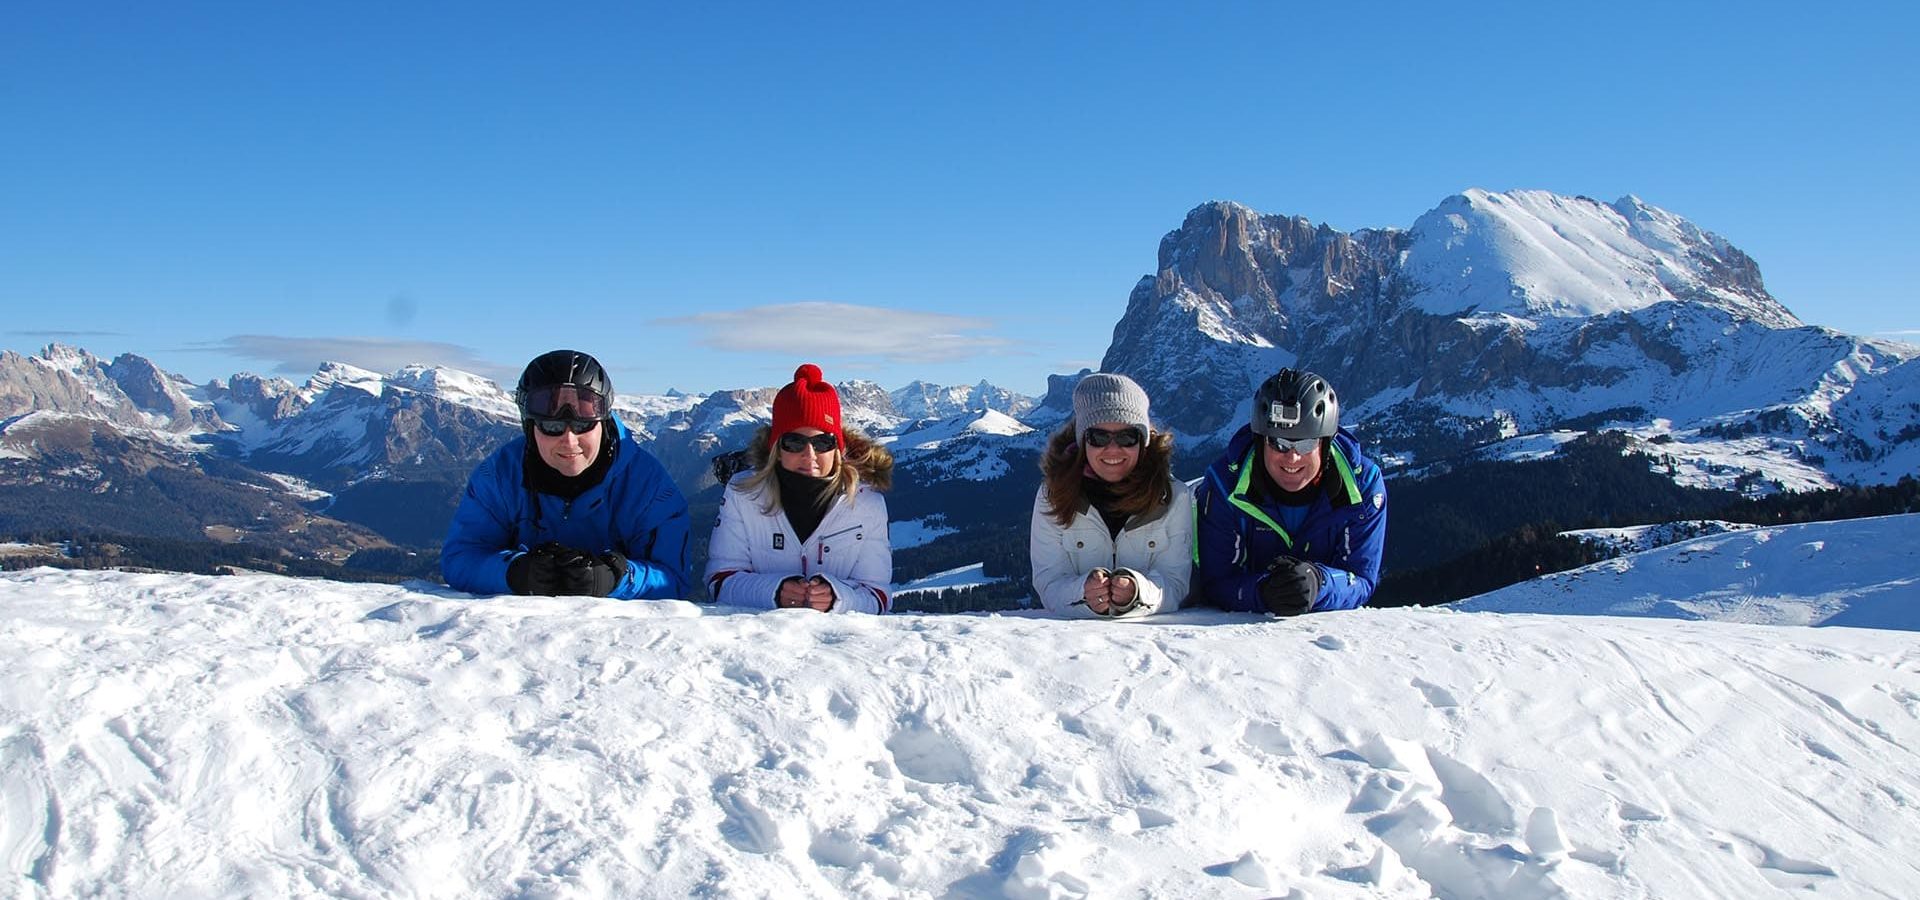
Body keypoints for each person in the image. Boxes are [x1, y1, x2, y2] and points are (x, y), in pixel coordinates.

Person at [442, 349, 692, 598]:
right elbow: (461, 557)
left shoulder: (647, 486)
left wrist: (616, 578)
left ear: (603, 422)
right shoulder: (499, 477)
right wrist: (514, 571)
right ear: (530, 427)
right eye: (552, 426)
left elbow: (674, 579)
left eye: (584, 425)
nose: (569, 440)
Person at [1194, 367, 1387, 615]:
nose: (1292, 457)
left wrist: (1319, 582)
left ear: (1325, 444)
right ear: (1261, 439)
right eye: (1278, 442)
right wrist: (1262, 591)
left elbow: (1362, 578)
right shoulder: (1224, 485)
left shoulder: (1362, 488)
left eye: (1306, 443)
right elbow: (1217, 582)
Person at [704, 364, 894, 613]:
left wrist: (837, 598)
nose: (810, 454)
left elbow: (878, 596)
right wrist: (774, 591)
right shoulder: (743, 494)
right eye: (794, 441)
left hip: (841, 647)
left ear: (838, 448)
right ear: (776, 448)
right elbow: (719, 582)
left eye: (823, 442)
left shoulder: (867, 504)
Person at [1029, 373, 1192, 618]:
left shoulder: (1173, 498)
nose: (1113, 449)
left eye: (1127, 437)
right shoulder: (1053, 495)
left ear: (1143, 441)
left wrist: (1137, 592)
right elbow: (1049, 583)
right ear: (1084, 440)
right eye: (1099, 437)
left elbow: (1175, 585)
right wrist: (1084, 592)